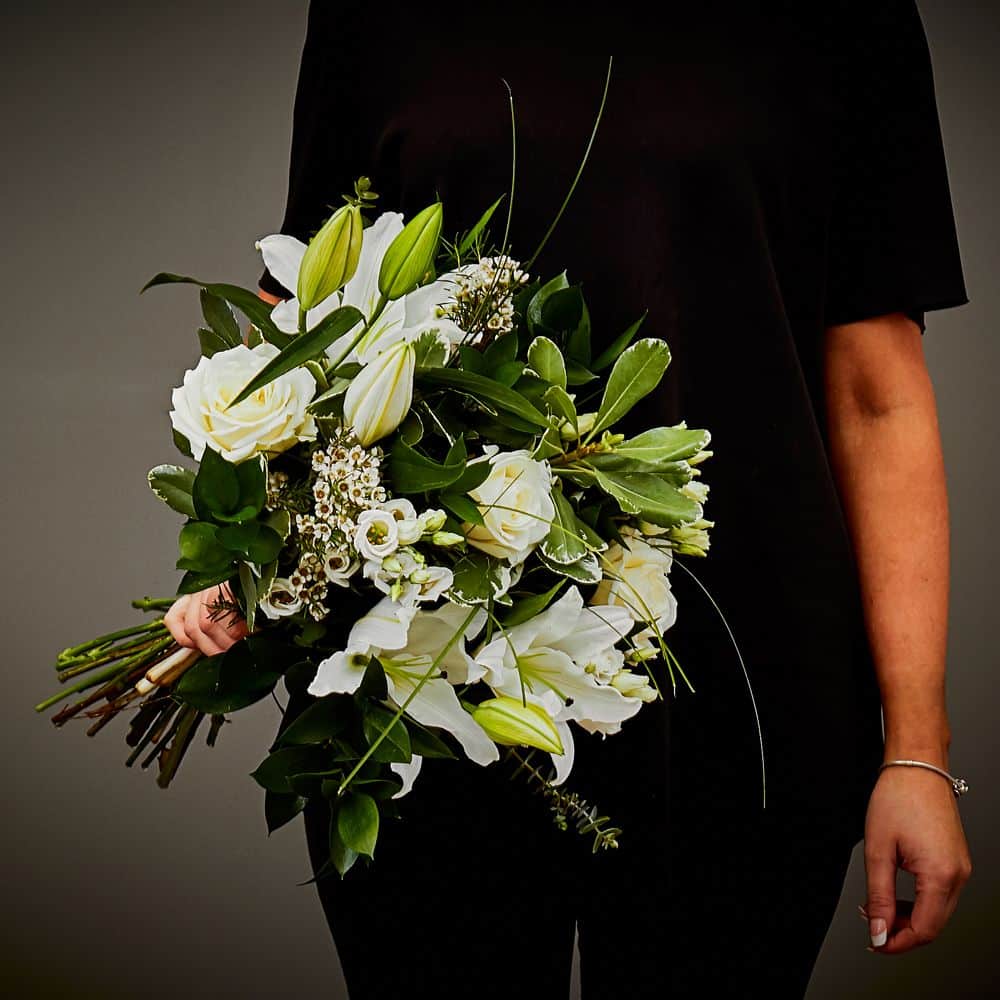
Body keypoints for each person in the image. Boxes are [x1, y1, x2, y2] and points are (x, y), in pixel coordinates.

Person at [163, 2, 974, 996]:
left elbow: (875, 395)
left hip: (740, 685)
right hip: (419, 672)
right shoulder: (371, 16)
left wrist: (917, 753)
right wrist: (243, 548)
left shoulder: (847, 24)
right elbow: (305, 319)